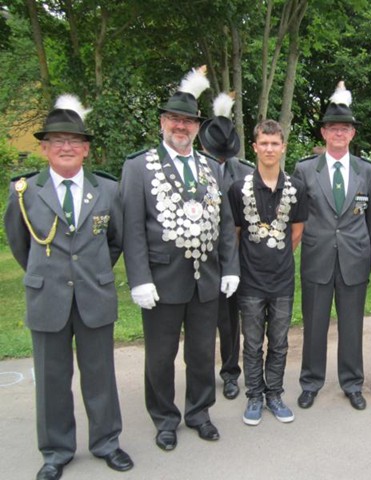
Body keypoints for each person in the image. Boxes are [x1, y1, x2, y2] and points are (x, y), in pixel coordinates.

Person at [4, 95, 133, 480]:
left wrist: (92, 271)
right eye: (57, 140)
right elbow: (20, 244)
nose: (66, 147)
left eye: (74, 141)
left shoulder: (107, 189)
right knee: (51, 379)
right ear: (44, 148)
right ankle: (56, 451)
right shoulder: (25, 191)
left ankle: (107, 442)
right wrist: (48, 274)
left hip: (95, 294)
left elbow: (115, 240)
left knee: (100, 376)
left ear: (86, 149)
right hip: (48, 297)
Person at [120, 68, 239, 451]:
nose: (180, 126)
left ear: (197, 127)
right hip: (162, 279)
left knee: (202, 353)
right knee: (160, 357)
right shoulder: (139, 167)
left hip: (206, 279)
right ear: (162, 122)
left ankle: (199, 413)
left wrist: (230, 268)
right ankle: (164, 419)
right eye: (174, 119)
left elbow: (224, 222)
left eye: (188, 121)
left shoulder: (210, 167)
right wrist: (139, 278)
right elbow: (132, 228)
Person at [293, 81, 371, 411]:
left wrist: (358, 248)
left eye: (345, 128)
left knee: (352, 327)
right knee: (314, 326)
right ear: (324, 133)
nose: (339, 133)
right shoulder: (304, 169)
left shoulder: (367, 171)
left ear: (352, 134)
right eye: (333, 128)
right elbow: (298, 216)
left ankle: (352, 383)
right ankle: (310, 382)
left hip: (353, 261)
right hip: (317, 259)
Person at [227, 120, 308, 426]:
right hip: (249, 280)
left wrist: (277, 256)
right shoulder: (238, 189)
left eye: (275, 143)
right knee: (251, 343)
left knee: (279, 342)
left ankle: (274, 393)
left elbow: (296, 233)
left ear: (283, 147)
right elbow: (235, 235)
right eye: (264, 143)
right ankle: (254, 396)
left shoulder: (296, 188)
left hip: (282, 280)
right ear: (255, 147)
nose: (270, 149)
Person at [198, 92, 254, 400]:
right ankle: (201, 374)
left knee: (231, 321)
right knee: (202, 321)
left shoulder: (245, 172)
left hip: (236, 258)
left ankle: (231, 372)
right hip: (200, 257)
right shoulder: (194, 169)